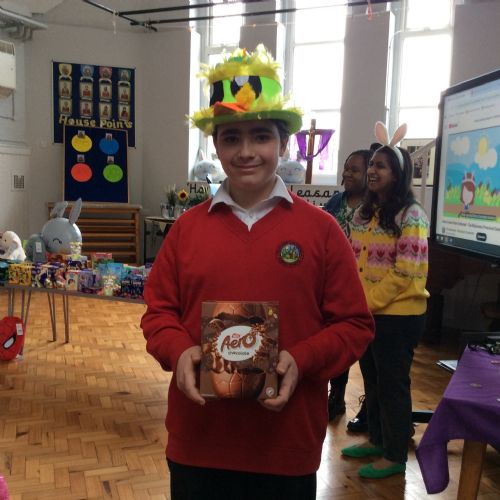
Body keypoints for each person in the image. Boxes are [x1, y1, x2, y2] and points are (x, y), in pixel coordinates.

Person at [141, 45, 375, 500]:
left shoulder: (322, 231)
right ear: (216, 145)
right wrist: (179, 350)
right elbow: (158, 313)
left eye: (261, 137)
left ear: (283, 144)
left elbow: (355, 325)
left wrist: (300, 359)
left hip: (285, 446)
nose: (246, 152)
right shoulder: (187, 230)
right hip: (199, 443)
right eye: (231, 138)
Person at [341, 122, 429, 479]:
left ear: (398, 174)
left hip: (399, 316)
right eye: (372, 165)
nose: (372, 171)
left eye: (381, 166)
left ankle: (395, 455)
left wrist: (366, 303)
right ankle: (377, 439)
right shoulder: (363, 213)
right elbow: (352, 260)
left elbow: (406, 273)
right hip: (369, 313)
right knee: (373, 381)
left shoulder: (412, 215)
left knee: (393, 385)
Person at [323, 149, 371, 425]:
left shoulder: (374, 207)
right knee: (336, 343)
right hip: (334, 283)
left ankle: (369, 406)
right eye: (346, 168)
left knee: (367, 355)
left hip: (366, 285)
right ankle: (336, 397)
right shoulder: (335, 202)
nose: (347, 173)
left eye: (354, 169)